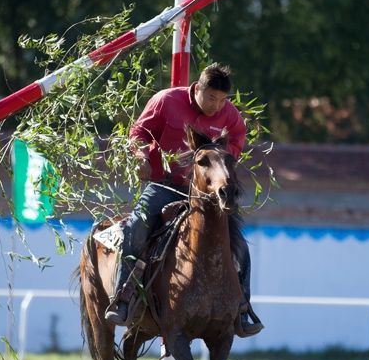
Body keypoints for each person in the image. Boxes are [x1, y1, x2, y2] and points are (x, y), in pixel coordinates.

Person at [104, 63, 263, 337]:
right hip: (164, 184)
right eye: (211, 97)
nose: (216, 106)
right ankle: (123, 297)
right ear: (197, 88)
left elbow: (237, 136)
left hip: (206, 194)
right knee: (136, 227)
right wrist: (141, 157)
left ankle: (242, 309)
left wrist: (223, 164)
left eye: (222, 100)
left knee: (239, 244)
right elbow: (139, 132)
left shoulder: (229, 115)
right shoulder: (167, 100)